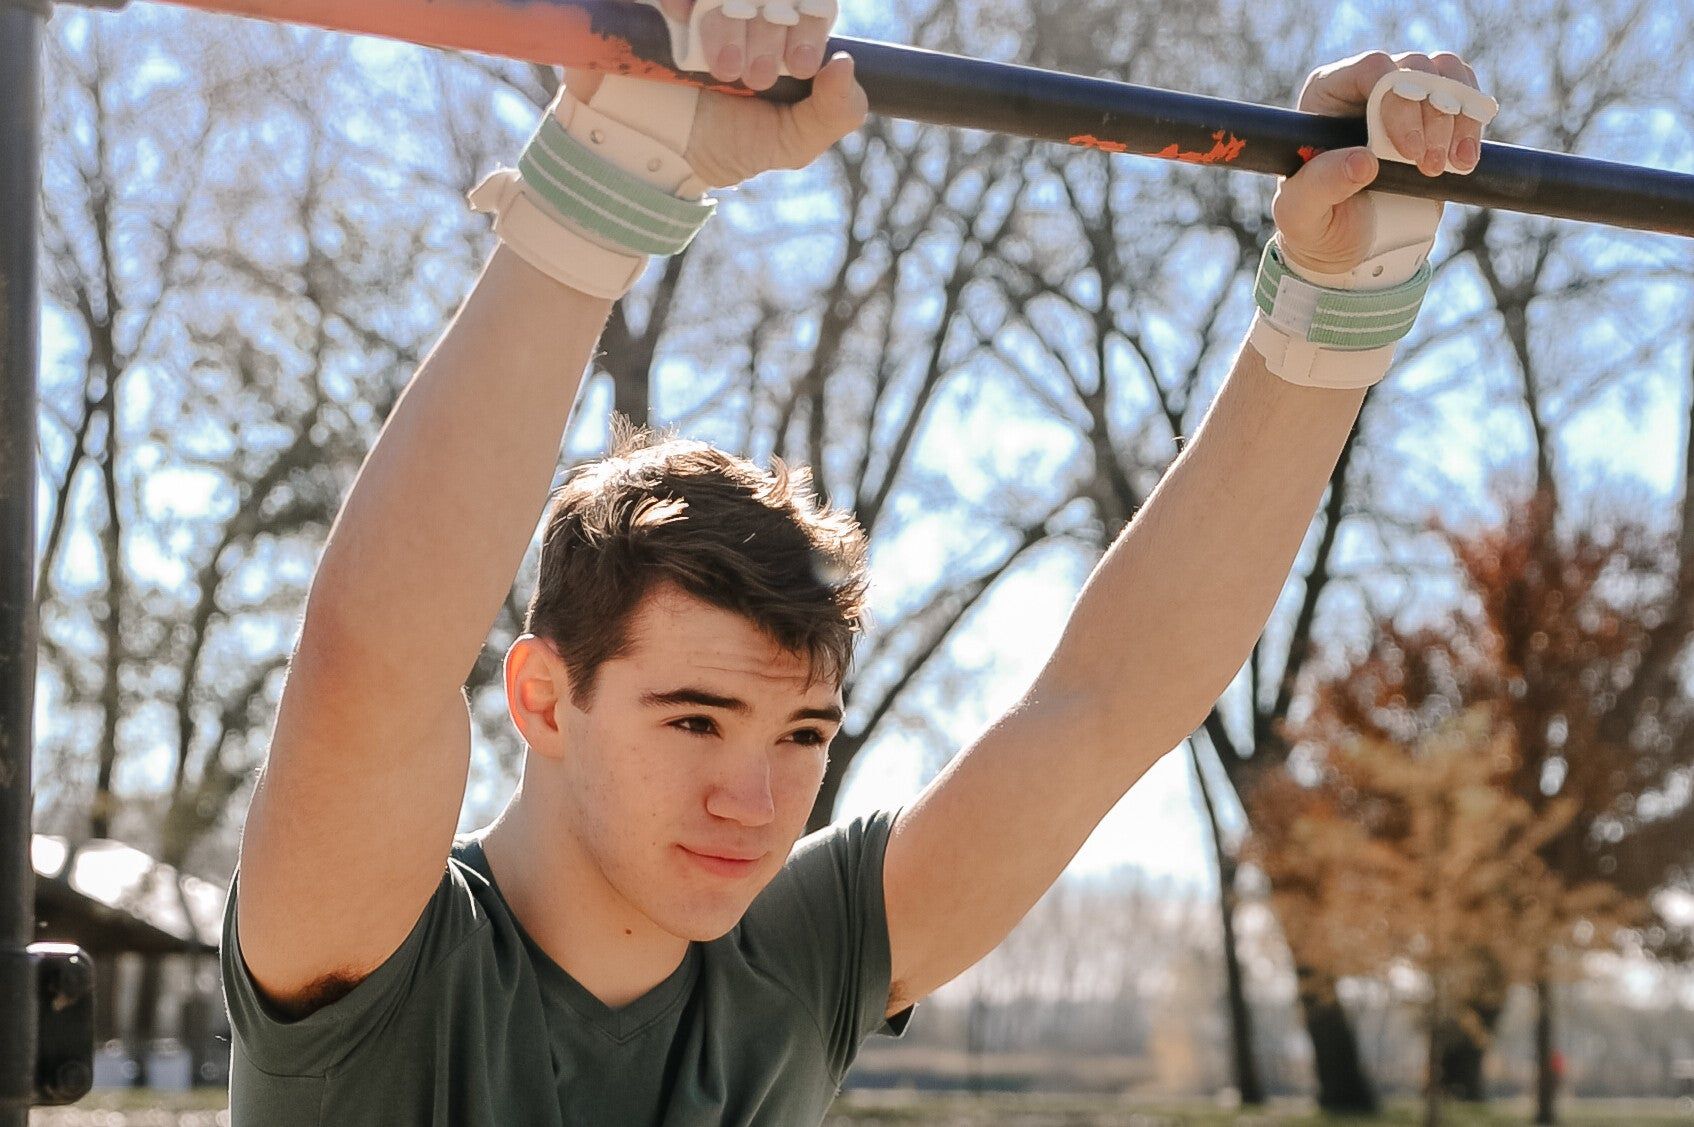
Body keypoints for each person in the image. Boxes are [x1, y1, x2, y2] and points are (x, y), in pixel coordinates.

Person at [216, 0, 1494, 1119]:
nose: (757, 802)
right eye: (696, 716)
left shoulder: (797, 960)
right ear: (545, 696)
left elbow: (1099, 711)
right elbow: (370, 672)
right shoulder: (380, 956)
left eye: (801, 733)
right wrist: (609, 174)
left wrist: (1335, 300)